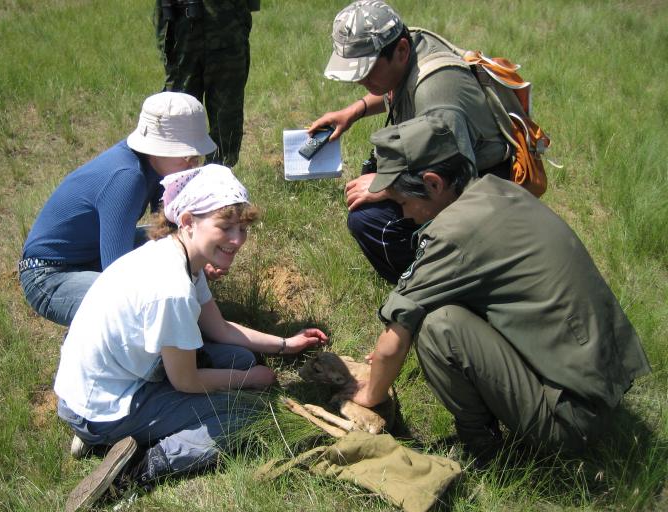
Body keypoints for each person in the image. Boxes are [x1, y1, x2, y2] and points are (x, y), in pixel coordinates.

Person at [346, 115, 650, 464]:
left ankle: (489, 454)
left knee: (438, 327)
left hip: (571, 418)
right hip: (601, 385)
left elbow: (391, 345)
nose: (406, 215)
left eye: (401, 202)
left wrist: (369, 394)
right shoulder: (500, 189)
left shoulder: (452, 233)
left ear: (433, 183)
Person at [57, 164, 328, 512]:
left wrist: (285, 345)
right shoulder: (173, 289)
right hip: (102, 407)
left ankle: (112, 436)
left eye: (243, 228)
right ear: (187, 221)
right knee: (248, 415)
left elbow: (220, 329)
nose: (237, 239)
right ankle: (136, 469)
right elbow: (185, 381)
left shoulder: (179, 255)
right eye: (225, 227)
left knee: (241, 358)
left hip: (95, 386)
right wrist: (250, 380)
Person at [309, 0, 511, 283]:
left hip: (485, 184)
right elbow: (395, 88)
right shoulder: (408, 45)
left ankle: (437, 285)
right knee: (371, 183)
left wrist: (389, 188)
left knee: (369, 220)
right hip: (455, 163)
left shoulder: (439, 97)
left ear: (401, 50)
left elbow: (457, 184)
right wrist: (353, 112)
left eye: (366, 71)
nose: (361, 82)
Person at [19, 92, 221, 327]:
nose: (193, 162)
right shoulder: (127, 178)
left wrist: (198, 258)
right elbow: (117, 271)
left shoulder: (156, 166)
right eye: (185, 154)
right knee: (133, 306)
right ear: (158, 148)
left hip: (90, 254)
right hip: (48, 275)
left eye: (197, 154)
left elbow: (167, 222)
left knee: (175, 242)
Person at [155, 0, 259, 167]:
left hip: (226, 25)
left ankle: (218, 179)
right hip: (180, 24)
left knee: (226, 116)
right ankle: (175, 181)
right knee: (177, 113)